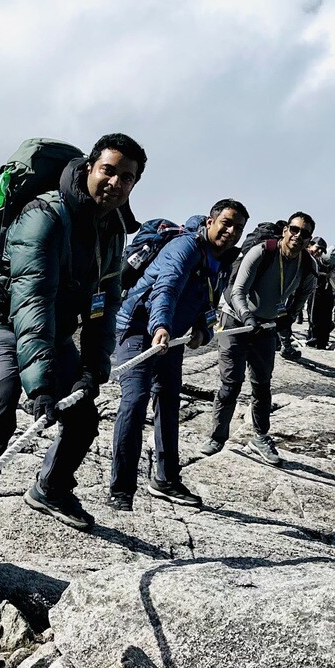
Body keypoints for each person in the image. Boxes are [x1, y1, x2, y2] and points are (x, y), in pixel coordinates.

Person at [0, 134, 145, 591]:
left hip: (48, 329)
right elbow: (31, 299)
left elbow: (104, 303)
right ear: (90, 166)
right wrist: (38, 387)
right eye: (109, 170)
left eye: (128, 177)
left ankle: (51, 488)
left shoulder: (111, 228)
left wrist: (95, 367)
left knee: (82, 412)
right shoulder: (44, 216)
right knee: (4, 394)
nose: (116, 182)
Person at [107, 199, 249, 512]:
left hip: (170, 338)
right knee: (135, 398)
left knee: (169, 401)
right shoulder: (184, 247)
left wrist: (204, 331)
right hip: (138, 329)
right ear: (211, 221)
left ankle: (165, 478)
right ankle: (121, 489)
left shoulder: (220, 260)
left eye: (238, 227)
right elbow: (166, 287)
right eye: (226, 222)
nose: (231, 231)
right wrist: (160, 326)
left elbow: (209, 303)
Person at [201, 211, 316, 467]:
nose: (298, 236)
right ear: (286, 229)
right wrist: (247, 317)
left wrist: (287, 318)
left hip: (265, 327)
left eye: (304, 233)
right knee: (231, 383)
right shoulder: (262, 252)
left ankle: (261, 437)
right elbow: (237, 290)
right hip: (235, 321)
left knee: (262, 385)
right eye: (294, 230)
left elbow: (302, 297)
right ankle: (217, 437)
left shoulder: (308, 266)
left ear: (309, 238)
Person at [304, 238, 335, 349]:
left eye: (322, 251)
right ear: (310, 245)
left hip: (324, 291)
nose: (319, 252)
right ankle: (313, 340)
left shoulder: (322, 262)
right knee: (313, 316)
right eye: (318, 249)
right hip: (314, 290)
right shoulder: (306, 257)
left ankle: (322, 342)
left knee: (325, 316)